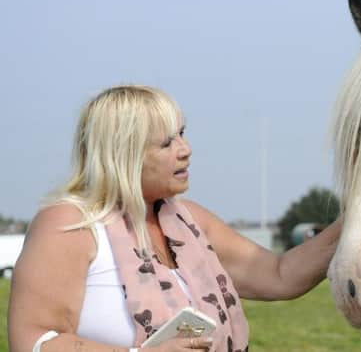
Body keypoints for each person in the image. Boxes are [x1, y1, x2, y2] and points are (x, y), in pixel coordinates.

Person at [8, 85, 341, 352]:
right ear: (123, 153)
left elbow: (280, 275)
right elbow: (32, 340)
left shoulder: (189, 219)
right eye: (167, 142)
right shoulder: (70, 224)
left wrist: (359, 222)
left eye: (182, 133)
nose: (186, 149)